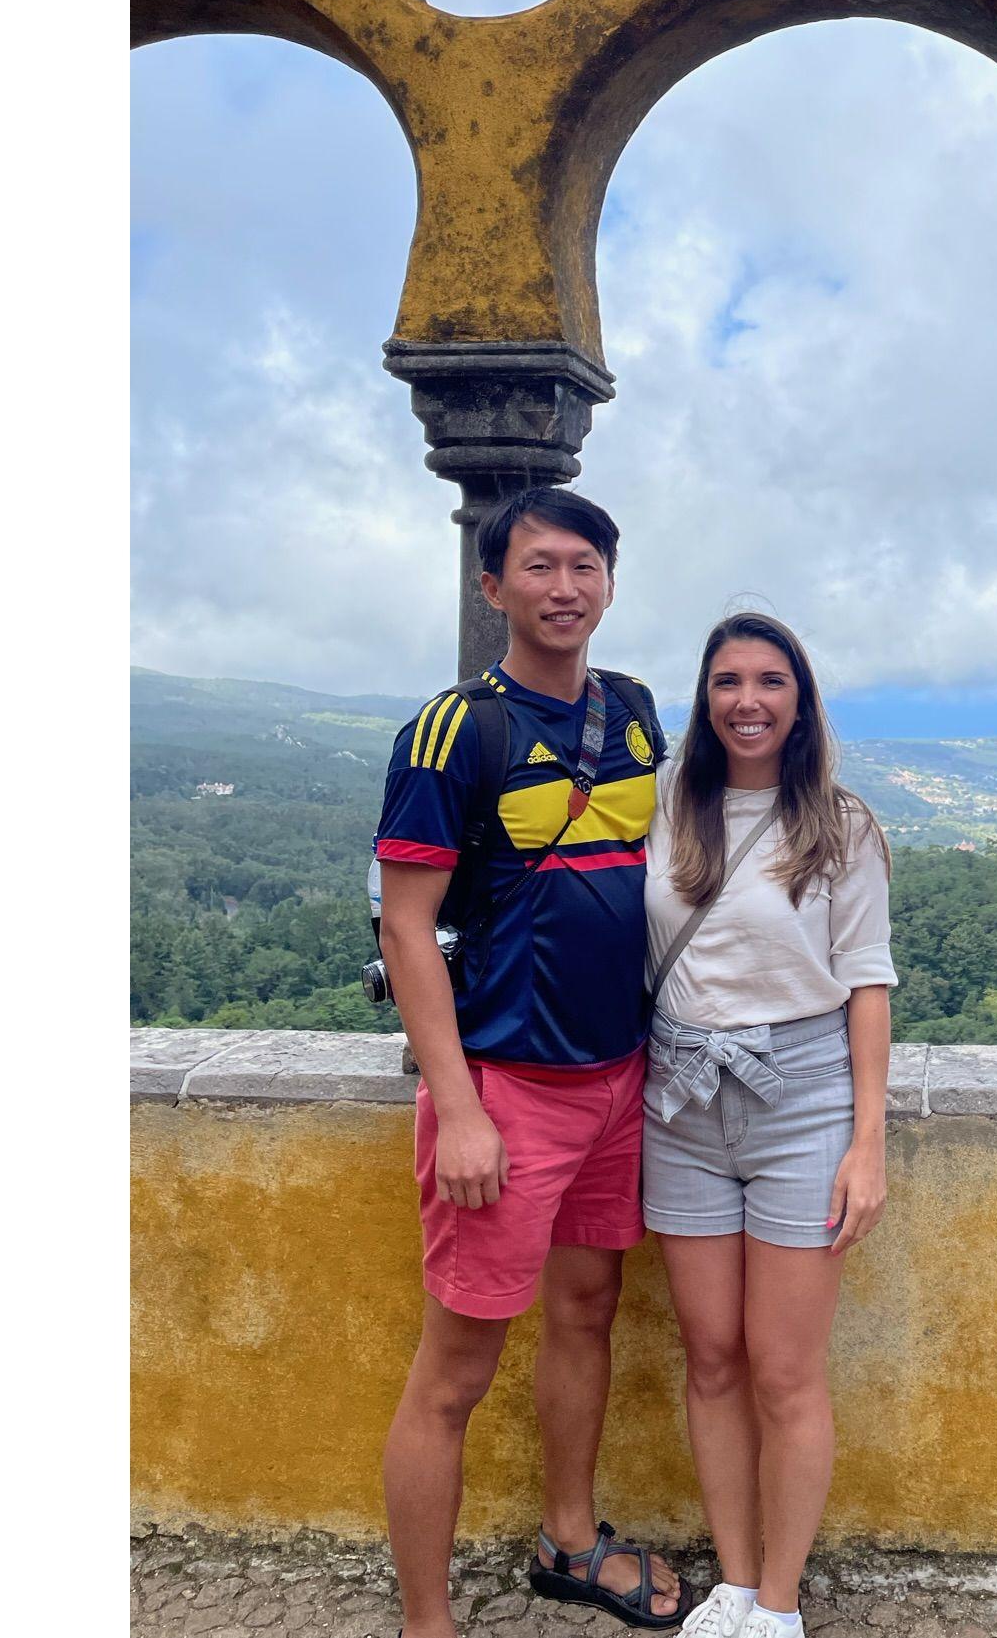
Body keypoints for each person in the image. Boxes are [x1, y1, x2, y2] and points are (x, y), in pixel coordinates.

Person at [374, 487, 685, 1638]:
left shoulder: (637, 712)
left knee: (588, 1310)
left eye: (586, 567)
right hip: (506, 1089)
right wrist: (456, 1109)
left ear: (611, 582)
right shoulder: (455, 731)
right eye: (541, 567)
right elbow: (405, 926)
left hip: (619, 1081)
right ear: (492, 584)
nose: (566, 588)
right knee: (454, 1371)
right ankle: (427, 1623)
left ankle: (567, 1540)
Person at [641, 614, 895, 1638]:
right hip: (679, 1100)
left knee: (785, 1370)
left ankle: (779, 1603)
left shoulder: (842, 827)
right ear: (704, 699)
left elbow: (867, 984)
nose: (748, 700)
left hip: (802, 1101)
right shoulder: (666, 803)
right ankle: (734, 1583)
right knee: (711, 1358)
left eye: (770, 681)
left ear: (801, 701)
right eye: (728, 681)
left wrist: (867, 1142)